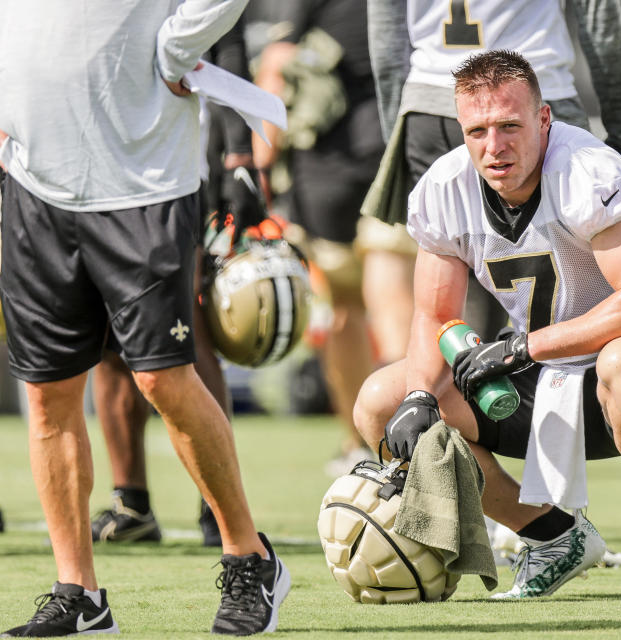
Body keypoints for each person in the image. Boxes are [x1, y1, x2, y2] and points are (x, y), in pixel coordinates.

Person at [353, 50, 621, 601]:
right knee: (384, 401)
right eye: (477, 130)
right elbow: (436, 315)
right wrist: (418, 396)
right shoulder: (443, 188)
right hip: (543, 373)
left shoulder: (587, 171)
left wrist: (524, 347)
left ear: (544, 119)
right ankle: (551, 536)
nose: (494, 146)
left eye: (510, 126)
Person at [0, 1, 289, 635]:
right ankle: (80, 593)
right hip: (33, 175)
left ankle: (249, 556)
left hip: (144, 179)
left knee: (162, 378)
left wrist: (179, 45)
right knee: (47, 394)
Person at [361, 0, 621, 359]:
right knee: (582, 293)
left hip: (428, 111)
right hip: (528, 103)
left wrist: (400, 127)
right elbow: (602, 30)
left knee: (453, 303)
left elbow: (386, 42)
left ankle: (447, 399)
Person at [89, 11, 262, 548]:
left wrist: (239, 151)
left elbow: (226, 38)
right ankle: (131, 501)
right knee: (107, 335)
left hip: (169, 158)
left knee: (183, 331)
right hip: (90, 154)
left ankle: (218, 506)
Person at [252, 0, 382, 473]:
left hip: (331, 159)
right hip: (394, 146)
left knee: (348, 308)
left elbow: (276, 64)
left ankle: (361, 441)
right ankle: (414, 438)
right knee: (408, 309)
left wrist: (260, 165)